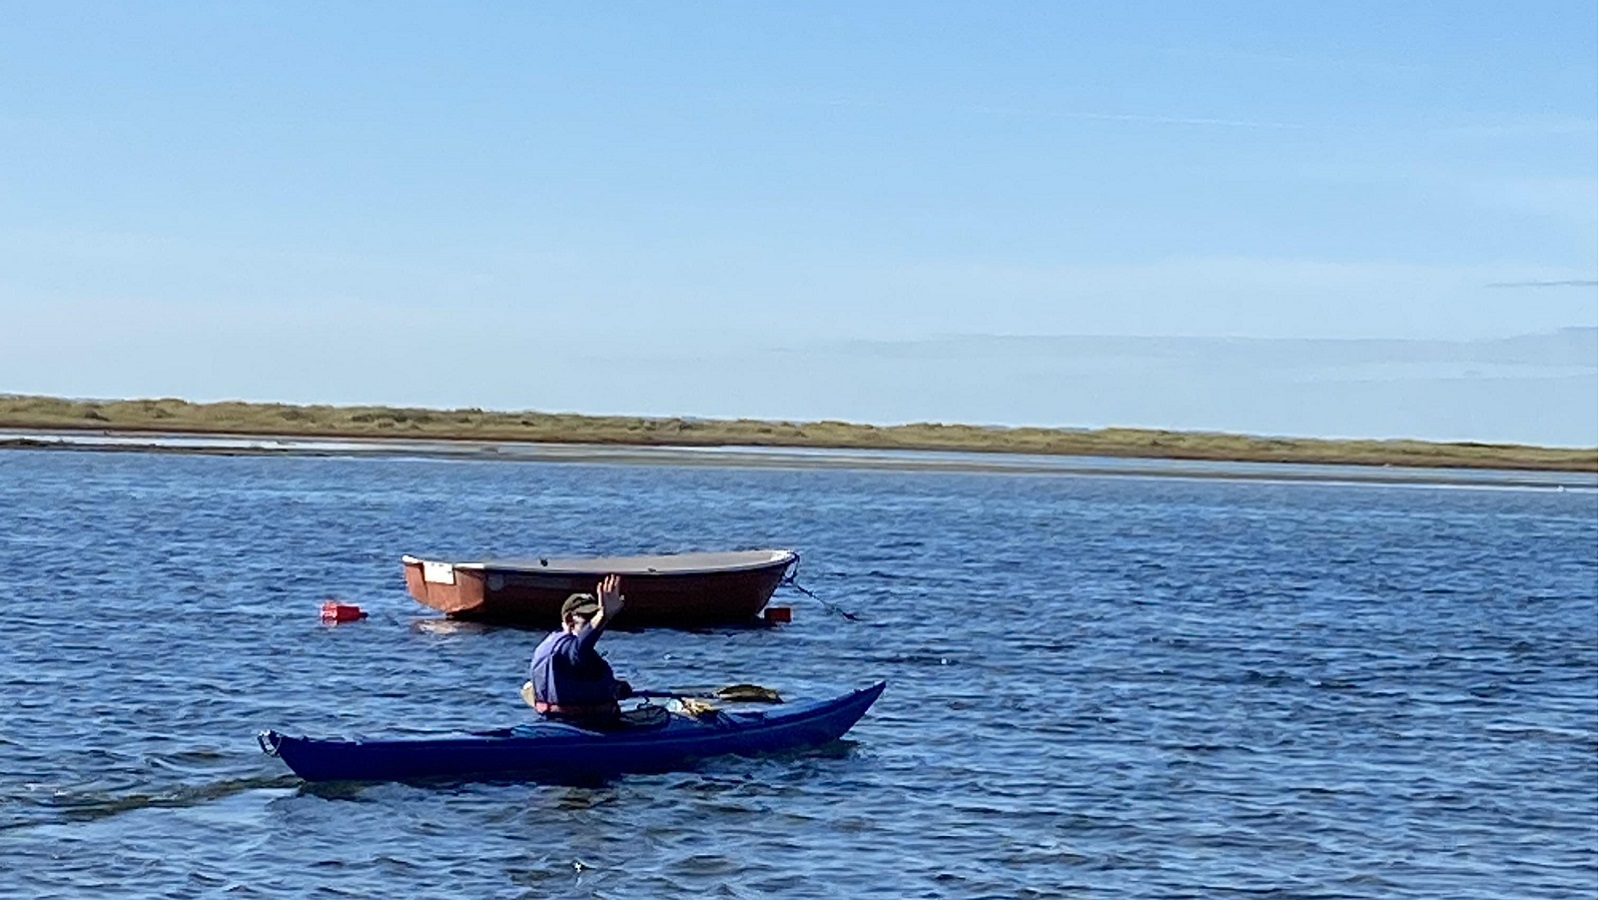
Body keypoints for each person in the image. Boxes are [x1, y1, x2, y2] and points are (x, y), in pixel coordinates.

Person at [525, 573, 632, 724]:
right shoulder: (568, 649)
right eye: (587, 618)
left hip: (552, 722)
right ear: (569, 620)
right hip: (587, 726)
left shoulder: (547, 644)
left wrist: (616, 687)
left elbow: (579, 676)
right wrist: (603, 616)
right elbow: (578, 649)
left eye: (594, 615)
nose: (592, 622)